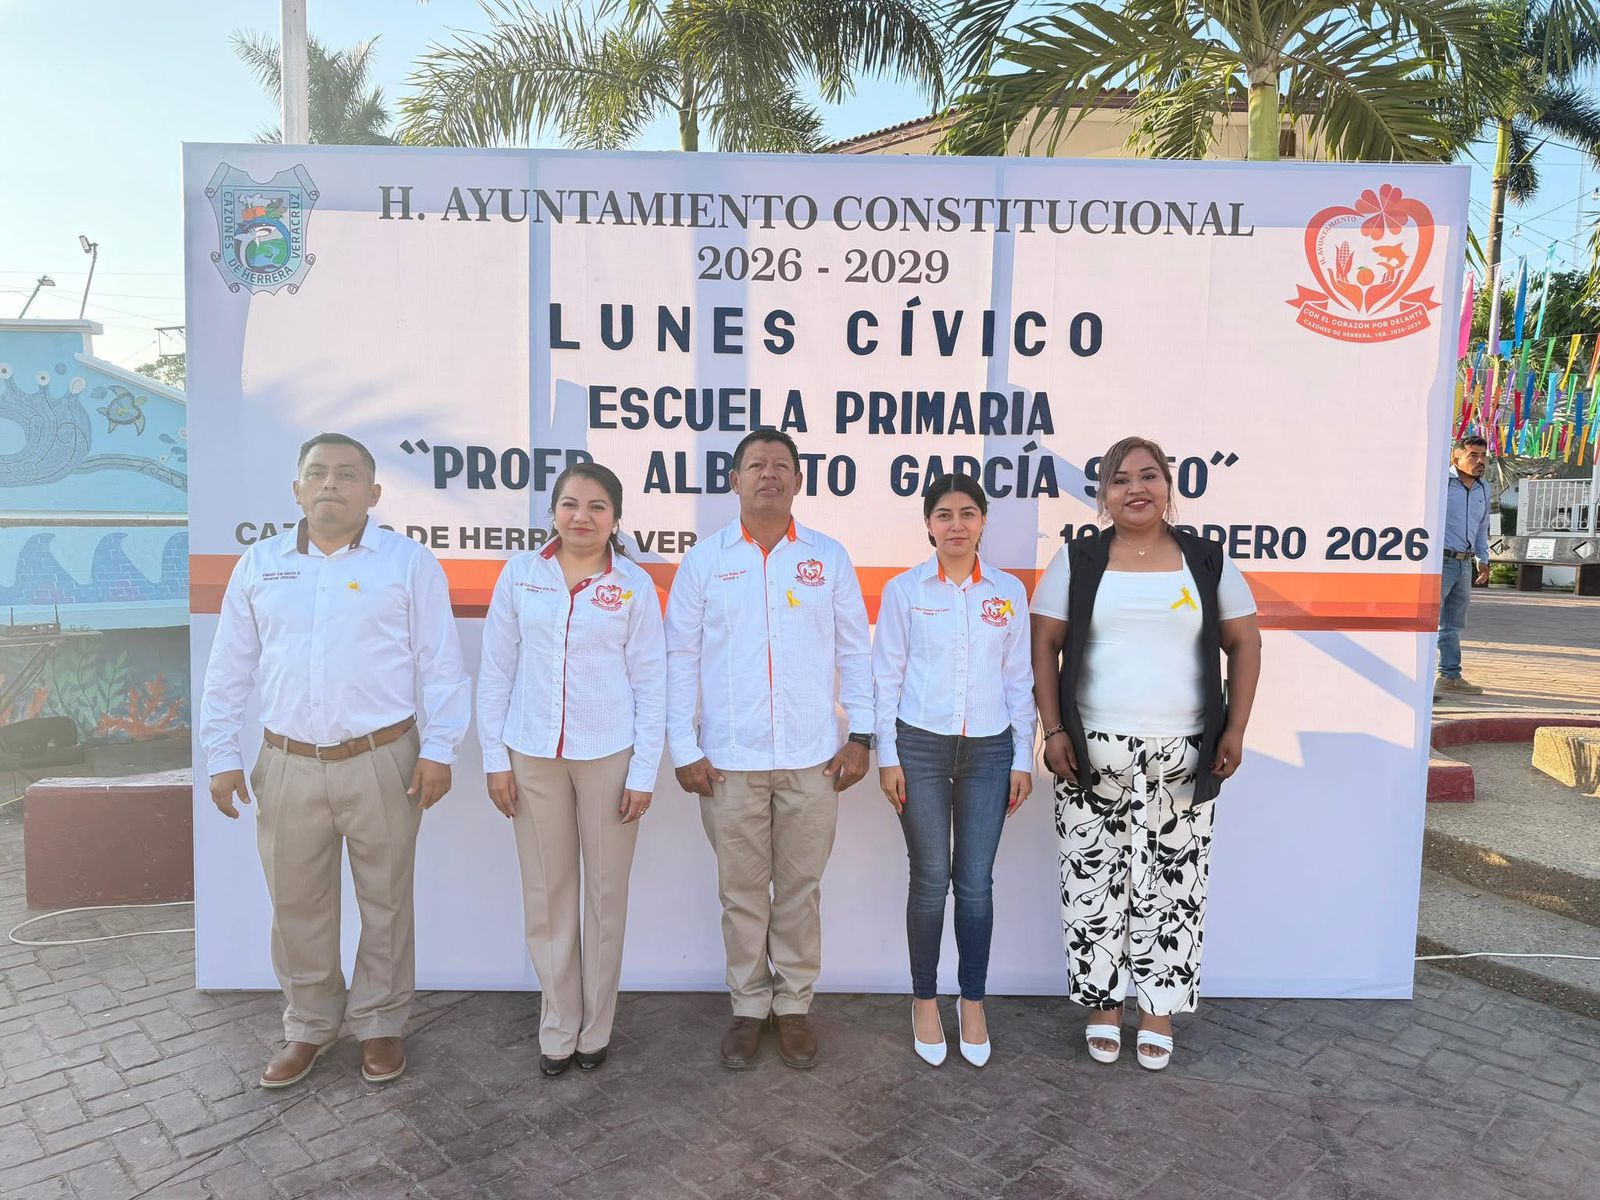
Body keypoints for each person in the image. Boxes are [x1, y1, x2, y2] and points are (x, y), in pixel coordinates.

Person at [200, 433, 470, 1089]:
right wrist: (220, 752)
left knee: (386, 900)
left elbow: (441, 665)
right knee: (296, 902)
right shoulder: (260, 565)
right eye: (317, 473)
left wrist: (440, 748)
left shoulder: (408, 563)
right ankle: (309, 1025)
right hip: (286, 762)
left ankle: (380, 1023)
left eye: (347, 475)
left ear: (372, 493)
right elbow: (229, 666)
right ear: (296, 489)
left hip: (384, 760)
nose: (330, 484)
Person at [1031, 436, 1261, 1071]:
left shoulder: (1206, 561)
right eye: (1120, 479)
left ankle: (1158, 1010)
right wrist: (1053, 730)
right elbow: (1044, 647)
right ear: (1103, 495)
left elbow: (1244, 642)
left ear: (1168, 486)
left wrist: (1236, 727)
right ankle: (1104, 1007)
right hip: (1089, 755)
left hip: (1184, 755)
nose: (1136, 488)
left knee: (1174, 887)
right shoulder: (1076, 561)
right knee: (1092, 882)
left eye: (1149, 476)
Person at [664, 429, 873, 1070]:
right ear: (735, 481)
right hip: (729, 762)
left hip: (813, 760)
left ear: (799, 481)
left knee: (801, 891)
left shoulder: (827, 557)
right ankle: (749, 1006)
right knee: (742, 894)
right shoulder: (705, 561)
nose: (769, 474)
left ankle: (795, 1007)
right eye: (756, 465)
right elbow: (680, 657)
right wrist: (683, 745)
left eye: (782, 465)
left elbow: (854, 649)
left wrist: (861, 734)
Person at [476, 462, 666, 1078]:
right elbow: (496, 670)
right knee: (548, 894)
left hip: (609, 756)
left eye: (597, 506)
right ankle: (558, 1024)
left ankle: (596, 1028)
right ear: (553, 512)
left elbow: (651, 682)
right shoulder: (521, 574)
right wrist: (494, 759)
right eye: (569, 504)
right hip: (531, 754)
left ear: (616, 518)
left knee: (605, 897)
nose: (582, 516)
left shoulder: (633, 585)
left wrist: (643, 773)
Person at [871, 474, 1035, 1068]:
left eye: (968, 513)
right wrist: (887, 755)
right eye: (944, 514)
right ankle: (923, 1001)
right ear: (928, 524)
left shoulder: (1007, 592)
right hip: (919, 747)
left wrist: (1022, 756)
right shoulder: (905, 590)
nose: (956, 524)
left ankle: (972, 1001)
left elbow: (1019, 678)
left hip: (990, 751)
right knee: (930, 878)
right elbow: (886, 675)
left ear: (983, 521)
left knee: (975, 883)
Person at [1437, 435, 1491, 697]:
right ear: (1456, 458)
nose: (1480, 461)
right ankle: (1417, 676)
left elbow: (1482, 526)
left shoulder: (1484, 488)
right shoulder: (1440, 483)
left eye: (1483, 456)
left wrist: (1483, 558)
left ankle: (1449, 676)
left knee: (1453, 623)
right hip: (1439, 561)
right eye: (1473, 455)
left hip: (1465, 563)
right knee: (1427, 620)